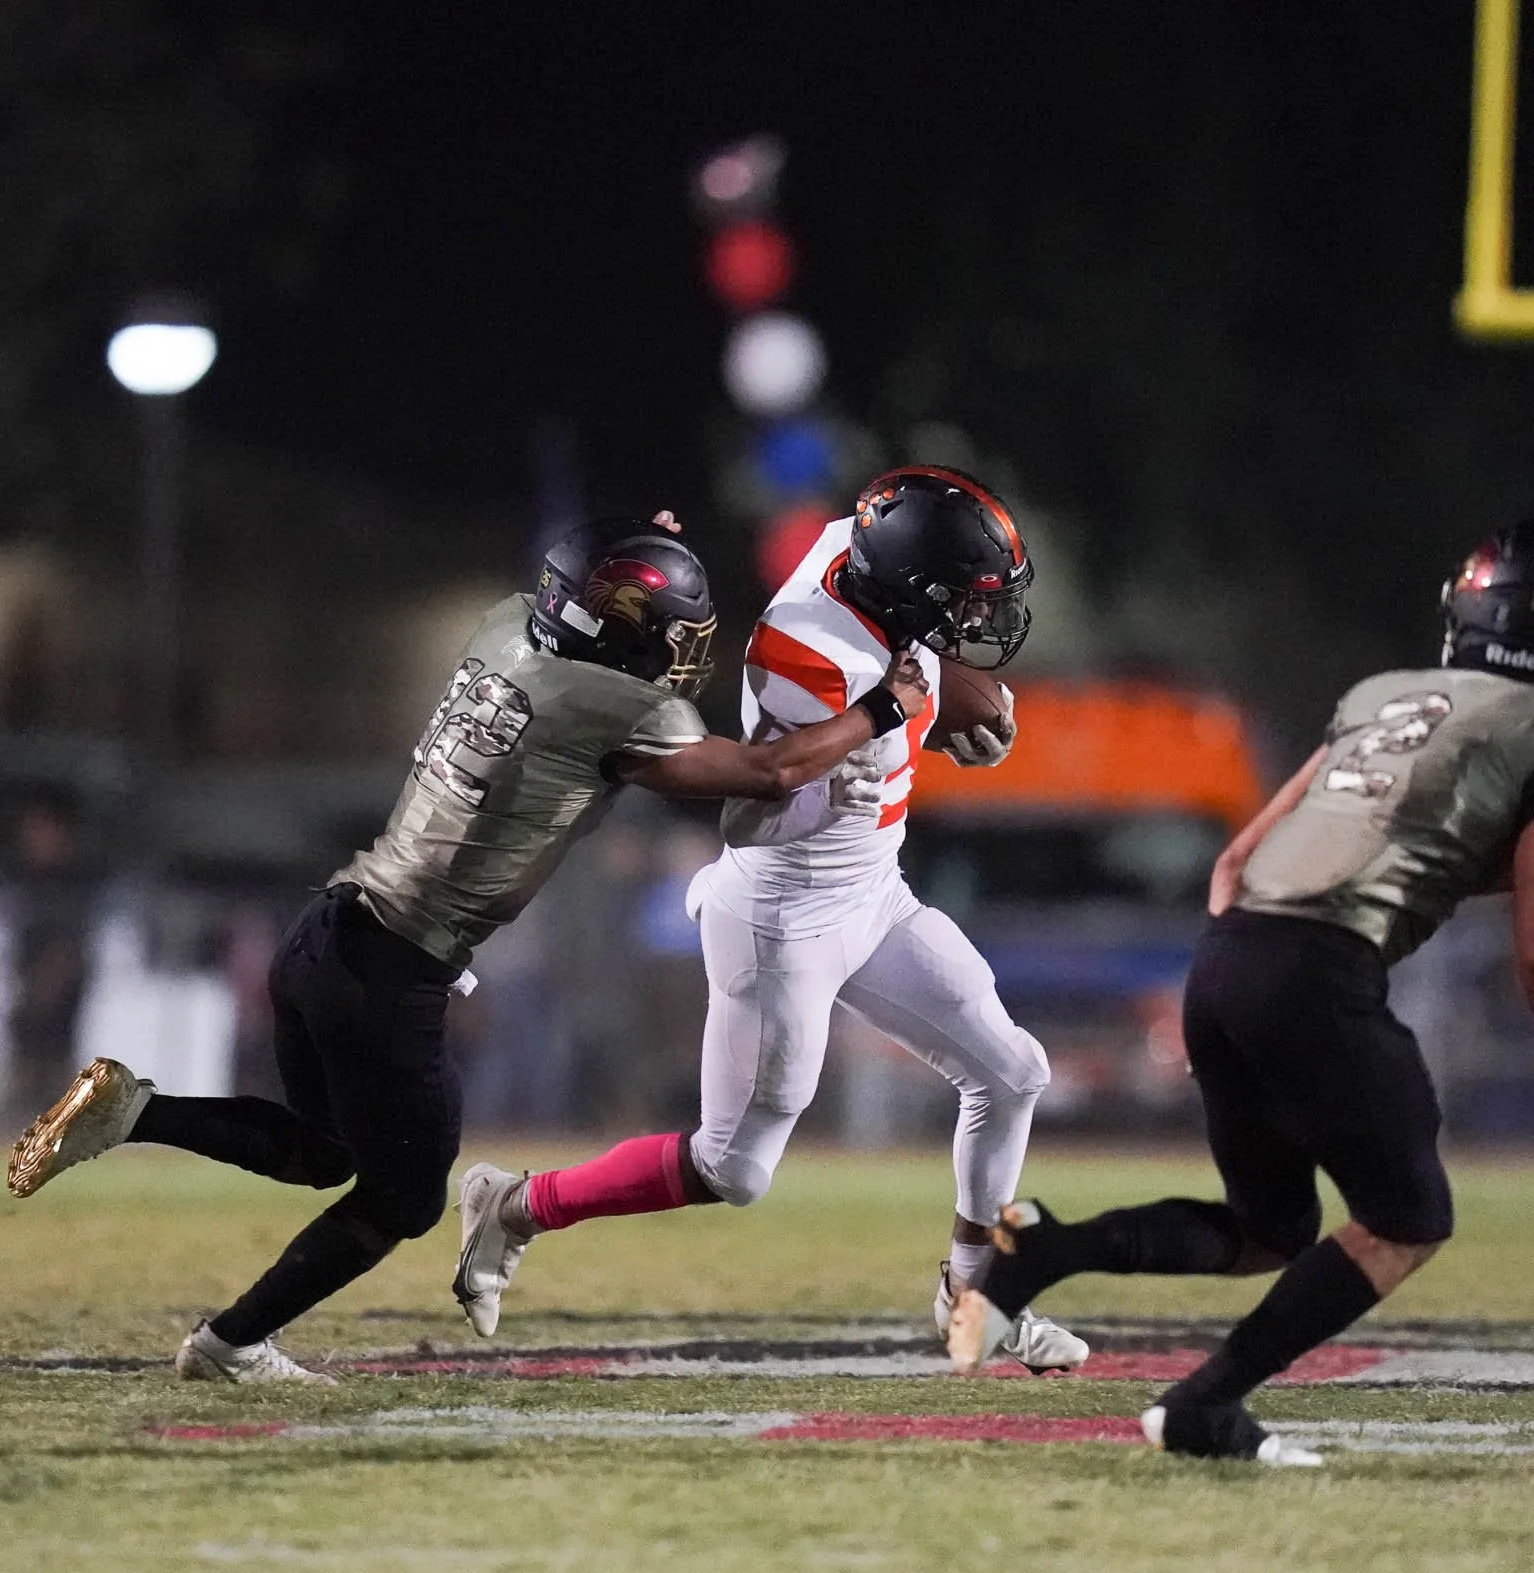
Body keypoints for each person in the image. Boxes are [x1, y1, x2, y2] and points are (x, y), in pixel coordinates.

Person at [4, 511, 930, 1382]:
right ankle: (230, 1342)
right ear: (624, 627)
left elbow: (580, 589)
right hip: (392, 968)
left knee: (322, 1152)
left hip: (327, 930)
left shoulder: (505, 626)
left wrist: (626, 544)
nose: (681, 647)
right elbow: (769, 771)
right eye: (669, 628)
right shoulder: (612, 708)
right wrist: (881, 709)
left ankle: (132, 1110)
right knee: (405, 1200)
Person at [947, 523, 1534, 1466]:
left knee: (1270, 1230)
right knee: (1409, 1219)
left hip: (1228, 957)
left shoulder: (1388, 696)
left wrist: (1243, 992)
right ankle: (1204, 1404)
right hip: (1319, 972)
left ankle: (1047, 1248)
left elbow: (1236, 860)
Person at [452, 468, 1087, 1372]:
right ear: (909, 584)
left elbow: (909, 653)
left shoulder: (859, 555)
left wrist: (941, 704)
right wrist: (837, 779)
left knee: (1013, 1071)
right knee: (734, 1168)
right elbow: (749, 818)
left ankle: (973, 1296)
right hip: (784, 912)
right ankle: (514, 1204)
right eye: (964, 599)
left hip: (874, 892)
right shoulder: (805, 654)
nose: (978, 619)